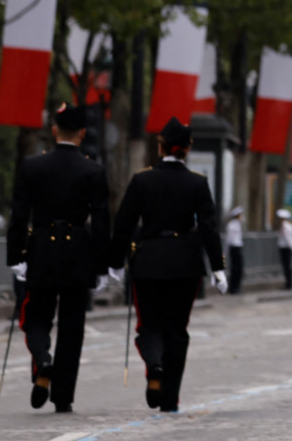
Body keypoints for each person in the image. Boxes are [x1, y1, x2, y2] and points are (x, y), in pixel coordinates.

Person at [108, 118, 227, 414]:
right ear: (187, 149)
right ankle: (170, 399)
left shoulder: (142, 180)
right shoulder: (198, 183)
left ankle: (155, 366)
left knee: (149, 325)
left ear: (160, 147)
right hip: (186, 263)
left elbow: (123, 224)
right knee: (177, 329)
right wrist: (218, 267)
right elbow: (209, 228)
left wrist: (115, 263)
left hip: (148, 261)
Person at [6, 103, 111, 414]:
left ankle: (43, 360)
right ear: (82, 133)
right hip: (79, 251)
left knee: (36, 318)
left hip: (41, 249)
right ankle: (63, 396)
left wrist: (16, 256)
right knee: (72, 326)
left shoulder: (32, 167)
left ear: (53, 130)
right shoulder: (94, 170)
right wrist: (103, 265)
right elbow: (102, 221)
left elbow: (18, 215)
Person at [223, 207, 245, 294]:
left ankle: (236, 287)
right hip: (234, 248)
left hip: (238, 248)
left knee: (239, 269)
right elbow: (229, 240)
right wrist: (225, 252)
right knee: (235, 269)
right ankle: (233, 288)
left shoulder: (237, 224)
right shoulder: (231, 225)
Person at [276, 210, 292, 290]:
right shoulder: (287, 226)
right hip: (286, 248)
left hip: (286, 248)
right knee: (287, 267)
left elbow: (289, 239)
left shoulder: (285, 227)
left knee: (287, 267)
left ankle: (289, 284)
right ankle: (289, 284)